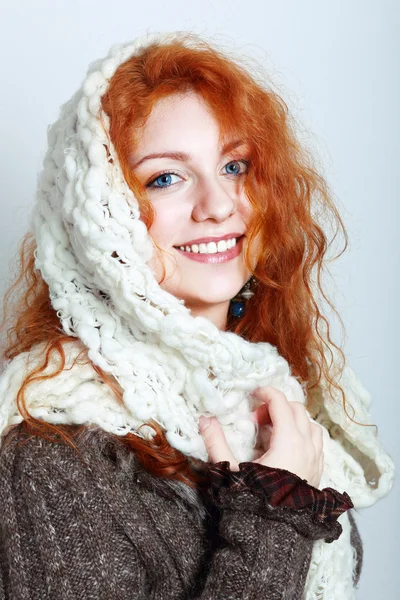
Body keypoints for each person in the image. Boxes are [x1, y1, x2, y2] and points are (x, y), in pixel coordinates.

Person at [0, 31, 395, 599]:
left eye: (235, 167)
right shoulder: (50, 458)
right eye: (165, 178)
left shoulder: (267, 396)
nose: (219, 205)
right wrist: (276, 510)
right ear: (101, 218)